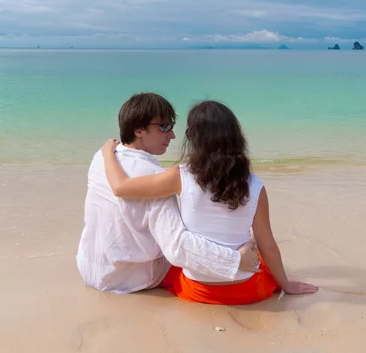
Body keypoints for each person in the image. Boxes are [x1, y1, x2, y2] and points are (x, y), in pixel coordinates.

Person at [100, 100, 319, 305]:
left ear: (194, 139)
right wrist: (286, 285)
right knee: (257, 248)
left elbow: (120, 188)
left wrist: (107, 153)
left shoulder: (180, 176)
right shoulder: (255, 185)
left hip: (197, 291)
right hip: (247, 291)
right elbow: (269, 245)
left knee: (170, 266)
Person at [76, 93, 259, 294]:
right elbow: (177, 247)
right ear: (139, 130)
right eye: (163, 127)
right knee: (244, 266)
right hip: (132, 278)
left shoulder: (102, 157)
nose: (171, 135)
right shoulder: (155, 175)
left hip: (91, 269)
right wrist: (234, 261)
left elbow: (119, 188)